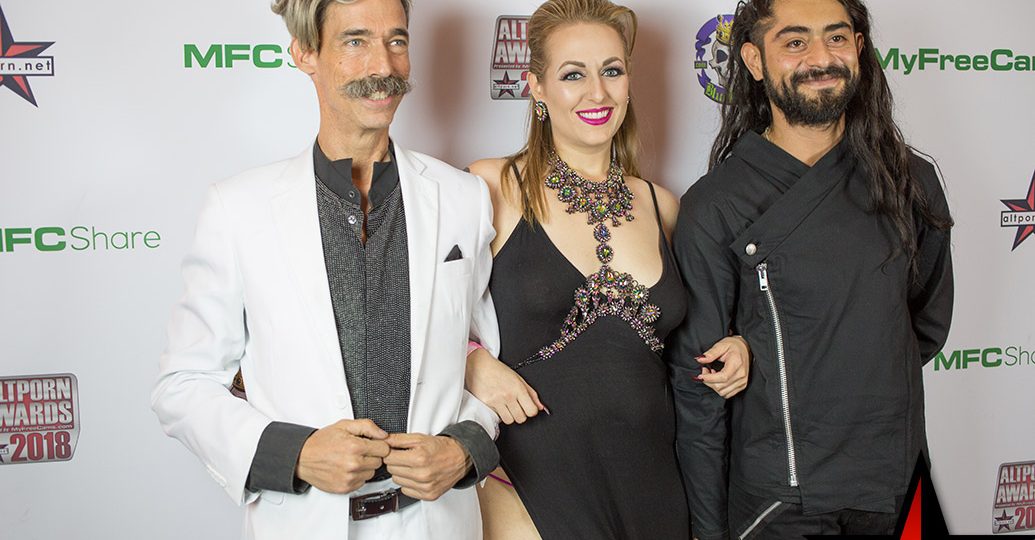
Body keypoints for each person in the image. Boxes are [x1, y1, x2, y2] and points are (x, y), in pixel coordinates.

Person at [150, 0, 501, 538]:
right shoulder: (238, 210)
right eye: (355, 41)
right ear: (305, 53)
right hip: (305, 523)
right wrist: (296, 453)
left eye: (397, 41)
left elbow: (485, 358)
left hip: (439, 524)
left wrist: (465, 447)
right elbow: (183, 383)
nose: (383, 65)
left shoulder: (463, 199)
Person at [667, 0, 955, 537]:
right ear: (754, 61)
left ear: (860, 49)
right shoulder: (716, 204)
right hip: (779, 502)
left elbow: (921, 325)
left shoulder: (909, 180)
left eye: (837, 38)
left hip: (895, 481)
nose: (821, 58)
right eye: (795, 42)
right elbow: (700, 390)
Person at [463, 1, 751, 538]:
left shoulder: (663, 206)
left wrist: (735, 346)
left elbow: (694, 345)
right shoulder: (491, 186)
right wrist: (470, 362)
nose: (597, 93)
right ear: (536, 87)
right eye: (573, 75)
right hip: (526, 480)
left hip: (653, 484)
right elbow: (412, 311)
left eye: (612, 71)